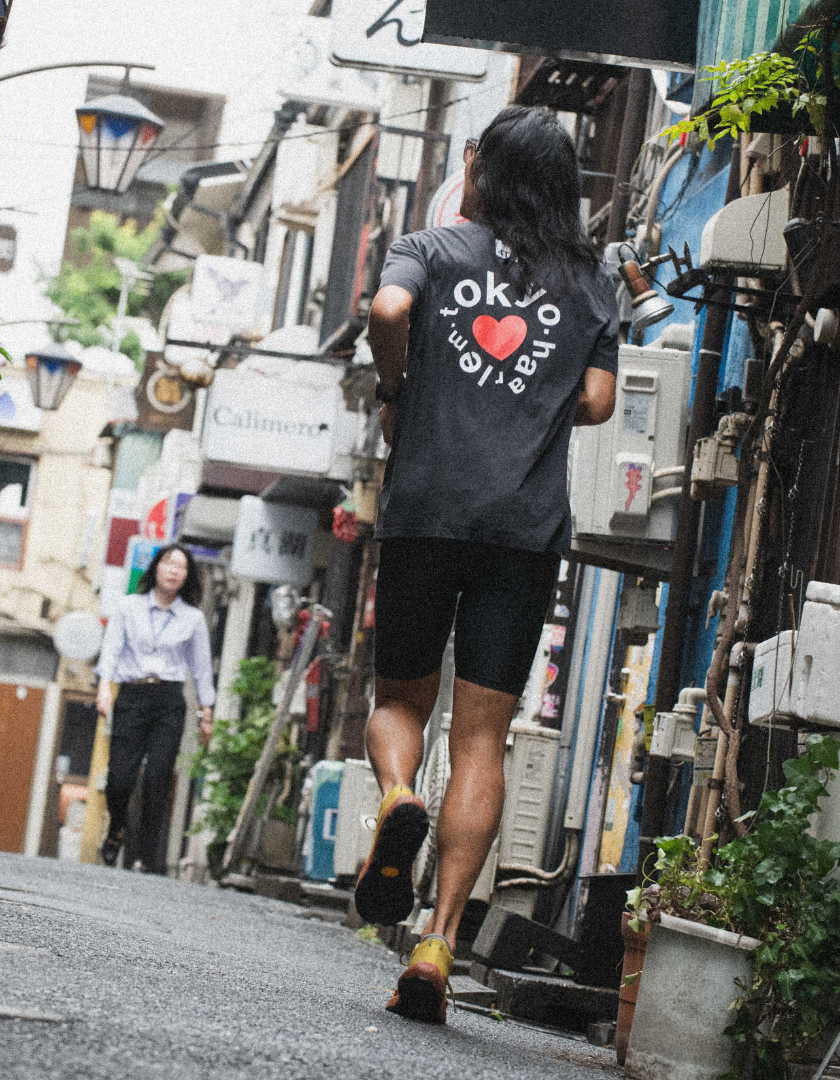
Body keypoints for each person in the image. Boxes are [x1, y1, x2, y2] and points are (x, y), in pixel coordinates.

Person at [353, 105, 619, 1023]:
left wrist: (401, 384)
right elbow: (596, 400)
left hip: (427, 509)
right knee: (482, 738)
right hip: (522, 528)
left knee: (400, 702)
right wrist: (534, 397)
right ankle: (438, 941)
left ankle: (396, 796)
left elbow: (387, 311)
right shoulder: (591, 279)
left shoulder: (430, 249)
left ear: (485, 172)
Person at [95, 544, 216, 873]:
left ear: (187, 576)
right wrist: (104, 688)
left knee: (158, 777)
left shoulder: (192, 619)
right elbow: (111, 650)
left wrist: (207, 710)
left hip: (169, 702)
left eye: (181, 567)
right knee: (120, 778)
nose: (174, 571)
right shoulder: (128, 607)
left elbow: (202, 667)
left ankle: (148, 852)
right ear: (156, 568)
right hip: (131, 698)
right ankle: (116, 829)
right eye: (168, 563)